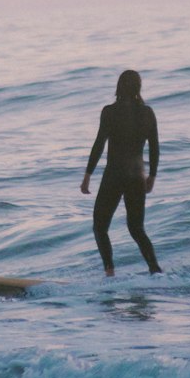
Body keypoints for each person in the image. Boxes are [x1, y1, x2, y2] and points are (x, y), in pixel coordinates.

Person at [80, 68, 162, 276]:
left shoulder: (109, 112)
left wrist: (87, 175)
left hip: (114, 176)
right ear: (138, 88)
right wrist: (152, 175)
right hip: (137, 176)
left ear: (118, 87)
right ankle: (155, 270)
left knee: (100, 227)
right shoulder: (147, 113)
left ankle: (109, 272)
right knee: (137, 229)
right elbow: (154, 146)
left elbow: (99, 144)